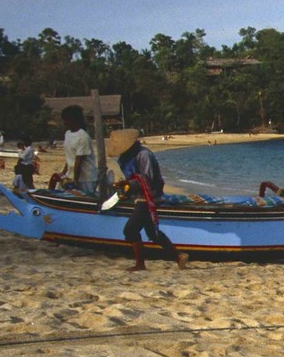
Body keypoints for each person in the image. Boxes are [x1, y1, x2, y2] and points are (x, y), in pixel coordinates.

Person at [107, 129, 188, 271]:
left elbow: (147, 179)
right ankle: (179, 256)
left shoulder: (144, 155)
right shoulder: (126, 158)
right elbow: (132, 178)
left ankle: (140, 263)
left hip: (150, 197)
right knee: (152, 233)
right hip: (139, 196)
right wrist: (125, 188)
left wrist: (127, 185)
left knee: (130, 229)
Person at [53, 106, 98, 195]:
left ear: (74, 120)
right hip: (71, 175)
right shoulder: (67, 134)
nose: (65, 123)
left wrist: (75, 181)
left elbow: (78, 161)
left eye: (67, 120)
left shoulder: (83, 136)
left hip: (86, 178)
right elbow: (70, 157)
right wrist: (63, 173)